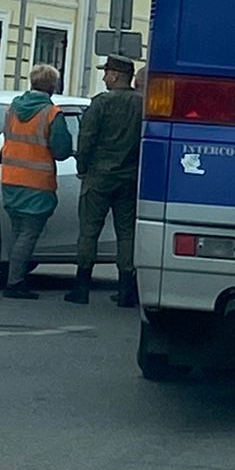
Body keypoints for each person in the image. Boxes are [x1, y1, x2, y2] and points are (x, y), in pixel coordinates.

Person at [65, 55, 144, 307]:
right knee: (126, 233)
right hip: (130, 177)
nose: (103, 77)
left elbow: (86, 139)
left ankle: (81, 286)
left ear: (117, 75)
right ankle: (125, 290)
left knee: (89, 231)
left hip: (98, 177)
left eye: (107, 72)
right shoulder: (142, 104)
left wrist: (82, 167)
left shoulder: (100, 104)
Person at [0, 63, 74, 300]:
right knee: (28, 233)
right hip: (37, 182)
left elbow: (6, 135)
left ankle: (13, 275)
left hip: (10, 178)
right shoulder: (52, 113)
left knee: (18, 230)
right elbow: (61, 150)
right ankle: (14, 282)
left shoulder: (12, 108)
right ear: (53, 86)